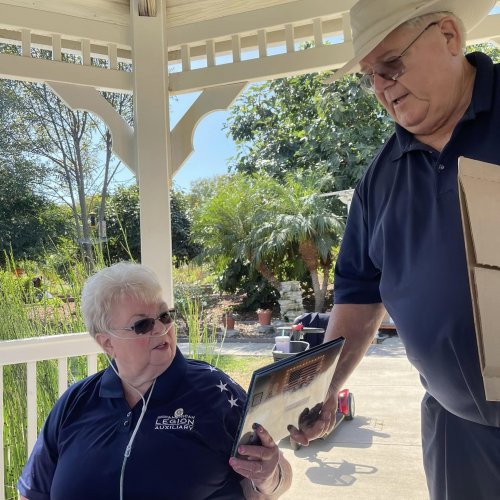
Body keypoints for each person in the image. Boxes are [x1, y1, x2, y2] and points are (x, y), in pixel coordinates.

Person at [288, 1, 500, 499]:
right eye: (370, 77)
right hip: (456, 428)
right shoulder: (379, 179)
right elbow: (359, 297)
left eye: (391, 65)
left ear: (448, 35)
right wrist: (326, 390)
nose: (382, 88)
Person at [17, 262, 292, 500]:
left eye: (164, 316)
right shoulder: (76, 402)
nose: (161, 329)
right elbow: (32, 492)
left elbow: (275, 478)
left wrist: (269, 476)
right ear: (107, 343)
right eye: (142, 325)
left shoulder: (215, 392)